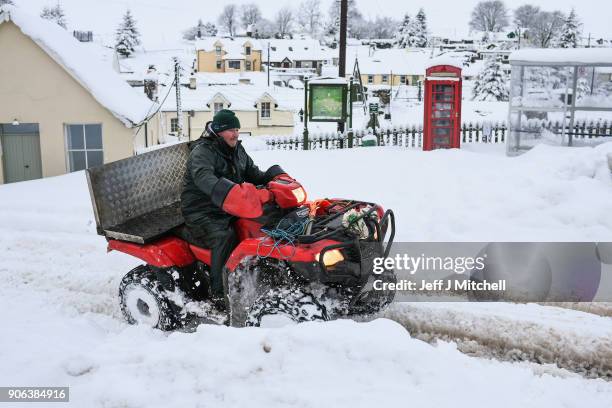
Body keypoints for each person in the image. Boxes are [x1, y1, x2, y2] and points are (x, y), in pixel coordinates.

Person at [181, 109, 287, 308]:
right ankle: (219, 293)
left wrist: (276, 179)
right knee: (225, 236)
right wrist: (236, 194)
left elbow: (253, 173)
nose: (235, 134)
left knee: (264, 224)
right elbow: (206, 180)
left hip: (230, 206)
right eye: (231, 129)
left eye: (237, 129)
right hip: (202, 210)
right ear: (219, 131)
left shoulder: (237, 149)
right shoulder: (202, 152)